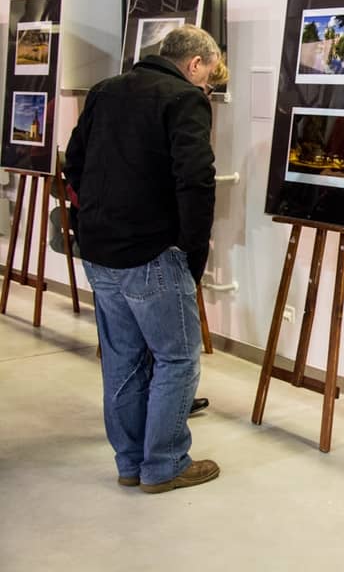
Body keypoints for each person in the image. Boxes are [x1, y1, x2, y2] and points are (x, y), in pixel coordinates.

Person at [64, 25, 224, 493]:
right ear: (194, 63)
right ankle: (165, 464)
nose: (207, 85)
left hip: (99, 250)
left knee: (122, 359)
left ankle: (131, 462)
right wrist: (191, 247)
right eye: (208, 75)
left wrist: (93, 218)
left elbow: (74, 163)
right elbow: (196, 180)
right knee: (177, 359)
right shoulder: (184, 99)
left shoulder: (104, 91)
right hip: (153, 252)